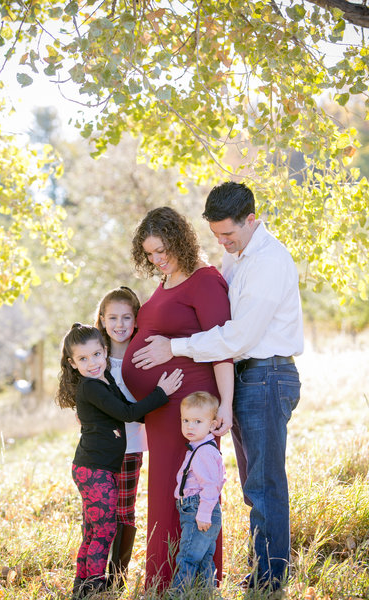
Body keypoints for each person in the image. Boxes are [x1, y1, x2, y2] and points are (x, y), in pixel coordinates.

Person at [131, 182, 304, 592]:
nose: (222, 242)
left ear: (251, 219)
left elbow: (236, 337)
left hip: (267, 374)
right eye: (216, 236)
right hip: (249, 378)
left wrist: (173, 347)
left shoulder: (268, 262)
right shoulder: (236, 259)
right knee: (251, 486)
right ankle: (258, 571)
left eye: (228, 234)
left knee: (265, 487)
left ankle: (269, 580)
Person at [121, 206, 234, 589]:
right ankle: (164, 575)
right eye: (150, 253)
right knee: (168, 489)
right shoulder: (167, 281)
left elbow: (222, 347)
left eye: (162, 249)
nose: (157, 258)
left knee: (196, 490)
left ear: (180, 239)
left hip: (190, 407)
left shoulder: (204, 280)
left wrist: (228, 407)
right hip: (163, 407)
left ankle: (198, 580)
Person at [55, 322, 183, 599]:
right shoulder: (91, 387)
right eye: (83, 359)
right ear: (72, 363)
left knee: (94, 528)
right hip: (94, 470)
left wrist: (158, 413)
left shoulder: (105, 380)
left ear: (104, 351)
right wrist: (161, 393)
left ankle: (83, 583)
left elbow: (129, 413)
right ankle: (95, 583)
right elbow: (126, 413)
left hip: (97, 468)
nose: (92, 363)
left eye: (96, 355)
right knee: (103, 527)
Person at [94, 286, 146, 587]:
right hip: (100, 448)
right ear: (102, 319)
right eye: (112, 317)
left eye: (127, 317)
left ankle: (117, 578)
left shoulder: (140, 356)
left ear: (136, 320)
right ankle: (93, 573)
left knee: (123, 510)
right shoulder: (94, 356)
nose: (120, 324)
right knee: (100, 510)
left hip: (131, 445)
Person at [173, 392, 226, 592]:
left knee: (188, 556)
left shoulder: (204, 451)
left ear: (212, 425)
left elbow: (212, 485)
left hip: (199, 510)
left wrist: (203, 514)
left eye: (197, 421)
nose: (190, 426)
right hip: (195, 509)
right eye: (185, 420)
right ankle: (207, 593)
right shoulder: (199, 448)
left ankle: (179, 594)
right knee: (204, 558)